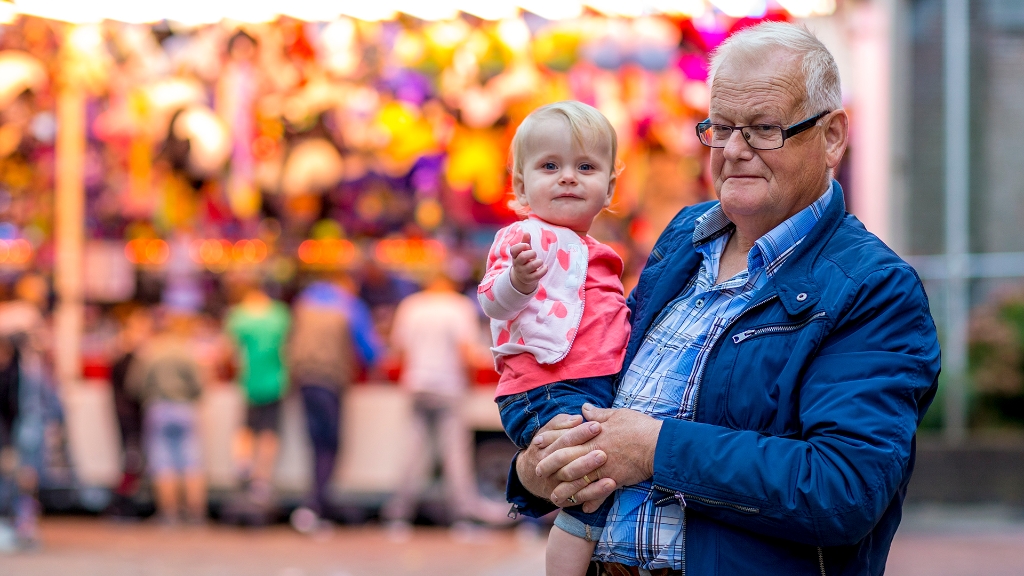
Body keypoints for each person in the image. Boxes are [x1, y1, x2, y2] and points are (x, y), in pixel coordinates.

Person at [507, 22, 941, 575]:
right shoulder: (685, 238)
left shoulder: (875, 288)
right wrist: (535, 468)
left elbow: (843, 488)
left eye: (762, 129)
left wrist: (655, 450)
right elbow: (607, 388)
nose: (734, 150)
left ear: (832, 136)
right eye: (721, 127)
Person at [477, 101, 630, 575]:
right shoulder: (523, 239)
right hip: (545, 389)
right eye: (550, 166)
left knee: (601, 491)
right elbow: (491, 302)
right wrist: (518, 282)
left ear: (609, 186)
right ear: (521, 186)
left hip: (590, 389)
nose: (568, 177)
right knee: (591, 495)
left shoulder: (600, 253)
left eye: (585, 166)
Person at [381, 271, 485, 536]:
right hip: (448, 386)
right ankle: (462, 517)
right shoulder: (458, 307)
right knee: (454, 452)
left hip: (417, 384)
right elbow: (466, 351)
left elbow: (399, 351)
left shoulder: (411, 306)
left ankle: (399, 515)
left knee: (413, 450)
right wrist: (470, 382)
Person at [288, 271, 381, 533]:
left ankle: (316, 502)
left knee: (315, 442)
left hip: (304, 379)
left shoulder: (304, 302)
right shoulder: (350, 306)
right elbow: (369, 351)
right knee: (330, 444)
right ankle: (315, 505)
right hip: (330, 380)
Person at [126, 311, 206, 525]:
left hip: (158, 407)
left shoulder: (150, 352)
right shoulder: (187, 352)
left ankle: (169, 515)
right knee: (192, 462)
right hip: (185, 407)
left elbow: (134, 385)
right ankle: (196, 515)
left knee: (163, 464)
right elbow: (199, 385)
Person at [225, 280, 290, 508]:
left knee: (246, 429)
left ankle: (243, 467)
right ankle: (261, 480)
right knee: (269, 432)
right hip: (276, 382)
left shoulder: (239, 316)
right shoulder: (279, 315)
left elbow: (229, 351)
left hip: (249, 382)